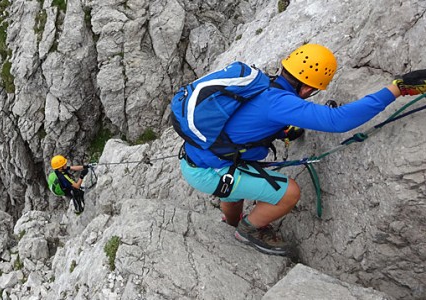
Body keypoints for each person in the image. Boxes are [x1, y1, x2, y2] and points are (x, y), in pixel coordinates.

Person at [179, 43, 426, 256]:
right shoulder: (280, 102)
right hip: (211, 171)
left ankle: (230, 224)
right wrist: (397, 89)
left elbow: (247, 123)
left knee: (234, 190)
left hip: (196, 159)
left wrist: (284, 131)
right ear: (308, 88)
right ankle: (248, 230)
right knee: (290, 193)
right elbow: (337, 121)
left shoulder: (263, 87)